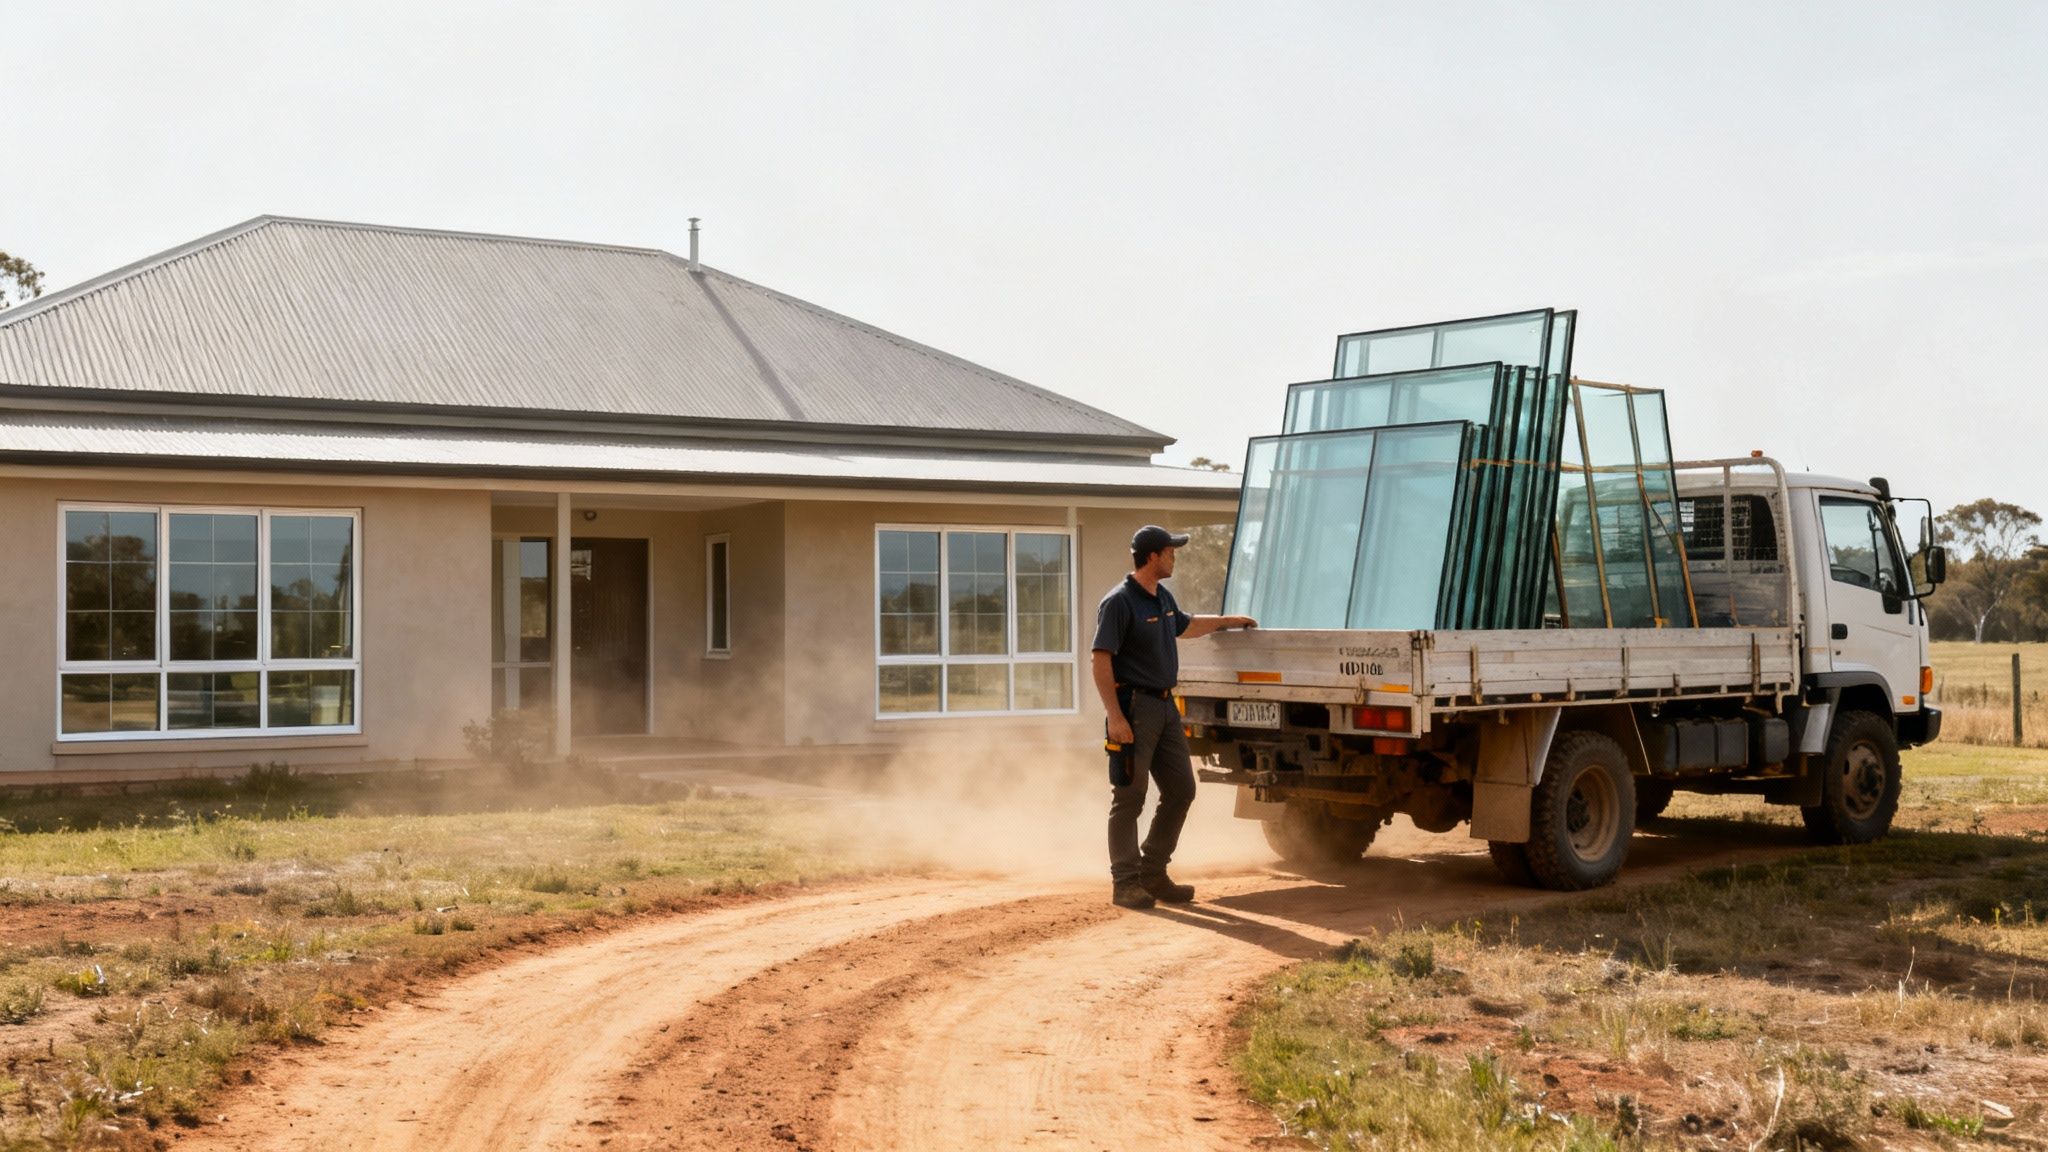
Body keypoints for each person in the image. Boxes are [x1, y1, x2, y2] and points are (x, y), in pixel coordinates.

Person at [1092, 525, 1256, 909]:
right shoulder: (1119, 602)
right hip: (1133, 707)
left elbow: (1187, 625)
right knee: (1130, 796)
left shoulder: (1161, 597)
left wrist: (1230, 620)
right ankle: (1126, 882)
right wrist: (1115, 717)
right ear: (1152, 557)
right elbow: (1100, 661)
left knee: (1182, 790)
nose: (1175, 557)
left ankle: (1153, 872)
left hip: (1166, 707)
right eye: (1170, 551)